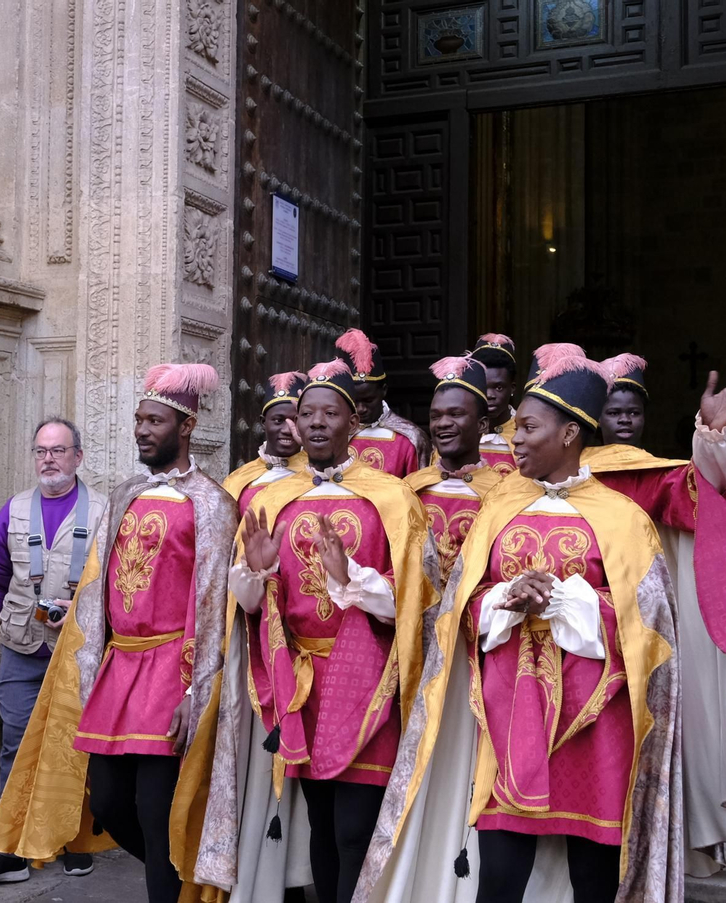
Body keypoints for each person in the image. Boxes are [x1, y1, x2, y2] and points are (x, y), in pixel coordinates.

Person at [350, 351, 683, 903]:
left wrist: (563, 601)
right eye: (514, 428)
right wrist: (506, 597)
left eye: (528, 428)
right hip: (508, 712)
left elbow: (648, 630)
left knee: (593, 878)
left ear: (571, 433)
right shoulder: (501, 508)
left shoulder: (624, 520)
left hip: (596, 721)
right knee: (498, 875)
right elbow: (462, 605)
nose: (515, 441)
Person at [0, 364, 236, 903]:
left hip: (172, 666)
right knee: (107, 804)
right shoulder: (124, 493)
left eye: (155, 420)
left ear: (185, 426)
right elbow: (98, 589)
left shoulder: (211, 503)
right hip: (120, 669)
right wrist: (87, 660)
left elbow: (212, 599)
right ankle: (184, 877)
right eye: (138, 420)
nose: (142, 430)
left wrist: (196, 690)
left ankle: (170, 891)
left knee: (153, 807)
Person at [188, 357, 432, 903]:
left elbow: (416, 604)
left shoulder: (392, 498)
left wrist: (352, 580)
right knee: (320, 826)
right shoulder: (273, 498)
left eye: (331, 412)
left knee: (354, 830)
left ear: (354, 422)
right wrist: (256, 569)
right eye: (307, 413)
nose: (317, 422)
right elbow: (247, 610)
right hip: (299, 681)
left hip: (368, 679)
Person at [585, 350, 726, 876]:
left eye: (633, 412)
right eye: (613, 411)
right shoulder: (561, 477)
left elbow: (706, 493)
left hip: (651, 632)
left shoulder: (656, 476)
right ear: (590, 419)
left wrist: (712, 439)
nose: (624, 420)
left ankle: (676, 846)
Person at [0, 417, 106, 886]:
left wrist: (80, 606)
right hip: (22, 647)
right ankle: (10, 851)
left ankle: (74, 840)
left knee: (75, 747)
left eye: (59, 450)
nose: (49, 459)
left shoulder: (105, 511)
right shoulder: (15, 509)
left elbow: (124, 588)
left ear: (78, 457)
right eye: (41, 450)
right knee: (16, 744)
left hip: (80, 651)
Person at [407, 355, 504, 581]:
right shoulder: (410, 487)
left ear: (482, 425)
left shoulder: (503, 493)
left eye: (455, 414)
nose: (442, 423)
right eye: (435, 416)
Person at [335, 328, 429, 477]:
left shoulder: (410, 438)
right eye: (354, 401)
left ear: (383, 391)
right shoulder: (333, 432)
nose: (360, 409)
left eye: (368, 401)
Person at [224, 370, 307, 508]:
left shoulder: (318, 474)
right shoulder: (238, 479)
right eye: (278, 420)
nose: (287, 430)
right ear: (263, 422)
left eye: (295, 421)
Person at [469, 334, 521, 476]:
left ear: (512, 388)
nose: (490, 395)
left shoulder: (525, 432)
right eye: (484, 387)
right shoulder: (462, 430)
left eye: (498, 388)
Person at [598, 353, 648, 447]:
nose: (625, 420)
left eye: (634, 413)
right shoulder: (579, 462)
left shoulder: (665, 462)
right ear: (598, 418)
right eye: (614, 413)